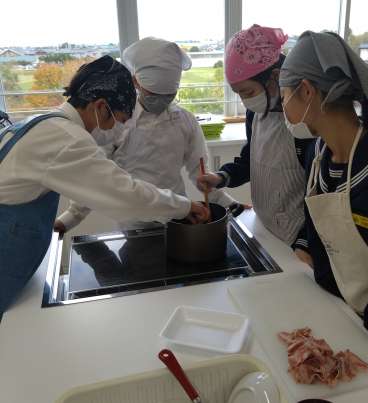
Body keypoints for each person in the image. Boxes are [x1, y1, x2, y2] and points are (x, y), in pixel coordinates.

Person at [0, 56, 208, 315]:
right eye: (117, 120)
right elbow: (124, 194)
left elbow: (91, 183)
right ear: (100, 107)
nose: (117, 129)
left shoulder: (44, 123)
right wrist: (185, 207)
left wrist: (66, 220)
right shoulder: (67, 139)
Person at [279, 30, 368, 374]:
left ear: (306, 91)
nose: (282, 107)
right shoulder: (318, 157)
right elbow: (322, 247)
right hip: (351, 322)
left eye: (283, 96)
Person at [56, 37, 239, 232]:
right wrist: (71, 217)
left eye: (169, 96)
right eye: (153, 94)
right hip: (134, 222)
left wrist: (230, 204)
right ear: (136, 82)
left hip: (179, 216)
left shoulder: (185, 121)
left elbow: (201, 174)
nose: (161, 100)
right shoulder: (117, 122)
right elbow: (98, 177)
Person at [197, 25, 311, 248]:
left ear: (275, 77)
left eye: (248, 92)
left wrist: (305, 242)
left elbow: (319, 191)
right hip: (264, 225)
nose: (245, 101)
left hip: (298, 236)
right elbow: (250, 160)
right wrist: (221, 177)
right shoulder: (256, 114)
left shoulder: (303, 122)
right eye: (238, 94)